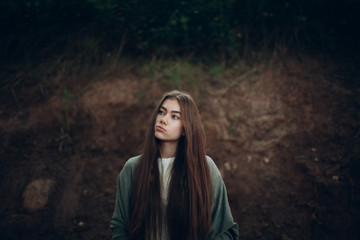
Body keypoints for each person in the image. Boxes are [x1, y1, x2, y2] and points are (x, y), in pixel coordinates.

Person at [110, 90, 239, 240]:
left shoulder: (205, 168)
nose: (163, 119)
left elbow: (224, 231)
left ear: (186, 129)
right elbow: (120, 228)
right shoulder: (133, 168)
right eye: (161, 112)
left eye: (174, 116)